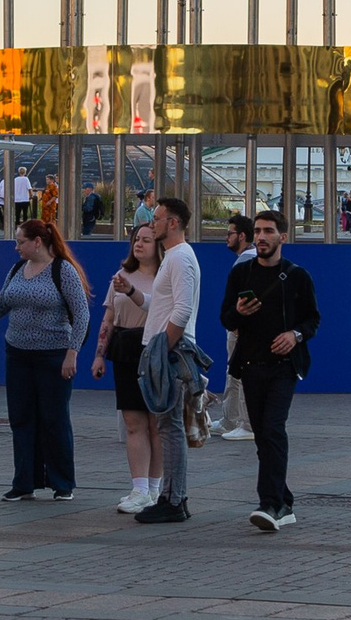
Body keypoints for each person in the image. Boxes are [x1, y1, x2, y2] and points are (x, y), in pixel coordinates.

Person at [0, 215, 87, 502]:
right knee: (21, 418)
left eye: (20, 242)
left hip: (52, 355)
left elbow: (81, 314)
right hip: (18, 354)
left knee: (54, 419)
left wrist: (72, 352)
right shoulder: (18, 269)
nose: (16, 247)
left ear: (37, 242)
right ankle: (24, 482)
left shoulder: (62, 270)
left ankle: (62, 482)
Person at [223, 210, 320, 533]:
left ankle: (270, 504)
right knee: (263, 437)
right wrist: (239, 312)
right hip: (250, 366)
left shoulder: (297, 276)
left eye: (268, 231)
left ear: (283, 237)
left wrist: (295, 335)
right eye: (258, 231)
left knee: (273, 430)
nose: (261, 237)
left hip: (283, 368)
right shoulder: (241, 273)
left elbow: (312, 319)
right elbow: (226, 318)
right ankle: (284, 499)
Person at [134, 196, 201, 525]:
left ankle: (174, 499)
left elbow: (183, 309)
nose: (151, 223)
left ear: (173, 223)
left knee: (170, 427)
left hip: (170, 353)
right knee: (167, 426)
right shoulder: (174, 257)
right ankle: (174, 498)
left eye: (157, 218)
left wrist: (163, 348)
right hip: (166, 350)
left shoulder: (180, 257)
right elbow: (163, 304)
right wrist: (133, 294)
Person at [92, 220, 160, 513]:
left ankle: (155, 488)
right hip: (125, 349)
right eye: (136, 239)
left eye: (146, 239)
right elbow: (108, 319)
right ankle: (139, 488)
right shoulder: (120, 276)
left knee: (156, 424)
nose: (139, 244)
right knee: (133, 422)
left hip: (154, 349)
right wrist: (99, 355)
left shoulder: (165, 277)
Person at [213, 214, 256, 442]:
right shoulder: (248, 258)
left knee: (239, 373)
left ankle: (245, 423)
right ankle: (230, 420)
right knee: (234, 373)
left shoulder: (246, 261)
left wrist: (238, 325)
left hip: (241, 329)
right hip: (240, 327)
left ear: (241, 236)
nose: (226, 237)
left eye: (229, 233)